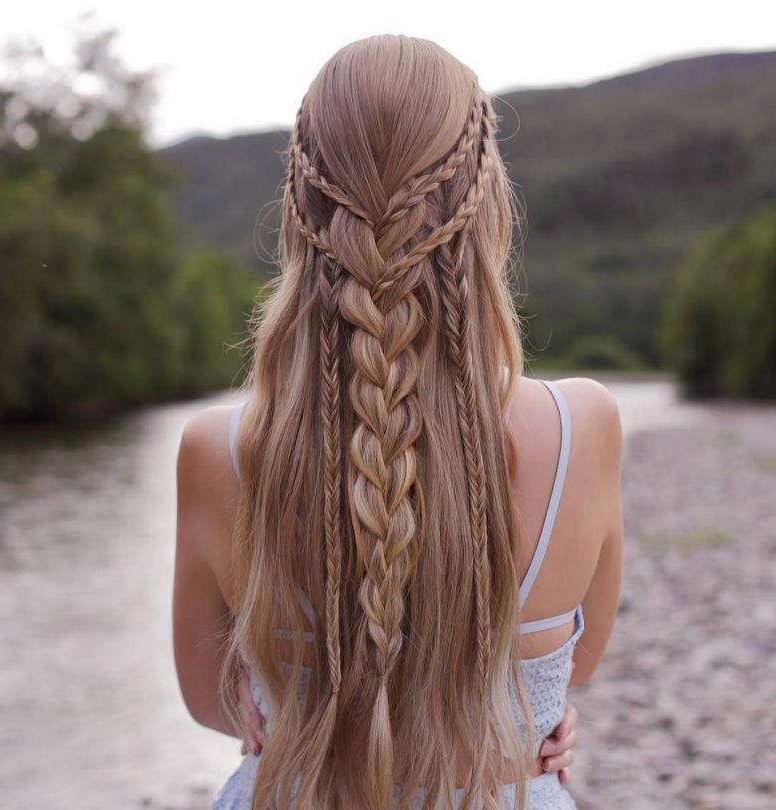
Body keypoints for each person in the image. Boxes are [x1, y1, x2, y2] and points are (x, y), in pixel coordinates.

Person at [173, 34, 623, 810]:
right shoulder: (584, 425)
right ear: (486, 205)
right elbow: (573, 667)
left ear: (299, 210)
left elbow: (212, 703)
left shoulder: (221, 449)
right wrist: (516, 733)